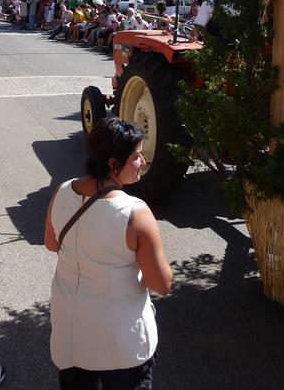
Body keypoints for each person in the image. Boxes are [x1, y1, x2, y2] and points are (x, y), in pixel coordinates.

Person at [45, 116, 173, 389]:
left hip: (72, 335)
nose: (143, 162)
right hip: (121, 341)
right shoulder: (135, 213)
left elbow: (52, 243)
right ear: (114, 164)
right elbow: (161, 284)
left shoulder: (62, 191)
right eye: (137, 157)